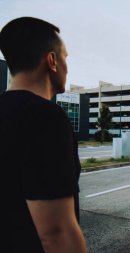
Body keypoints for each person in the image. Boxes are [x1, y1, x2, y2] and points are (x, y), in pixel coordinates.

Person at [0, 17, 86, 252]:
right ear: (52, 61)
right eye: (65, 57)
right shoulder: (47, 119)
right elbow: (56, 233)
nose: (67, 66)